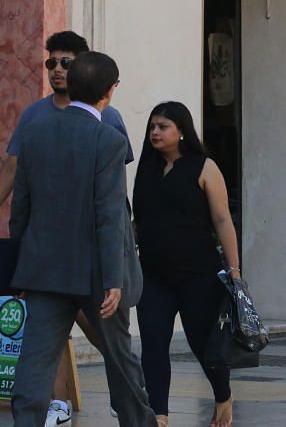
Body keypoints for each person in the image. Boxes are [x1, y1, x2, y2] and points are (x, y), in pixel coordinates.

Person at [9, 52, 157, 427]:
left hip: (42, 270)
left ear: (68, 85)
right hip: (96, 274)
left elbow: (20, 209)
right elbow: (109, 214)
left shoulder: (34, 133)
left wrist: (20, 267)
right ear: (110, 92)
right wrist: (113, 279)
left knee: (34, 364)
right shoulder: (107, 139)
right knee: (121, 361)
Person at [132, 102, 240, 427]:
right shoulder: (147, 167)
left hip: (198, 275)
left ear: (181, 131)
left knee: (203, 344)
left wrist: (234, 271)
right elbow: (139, 220)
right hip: (152, 275)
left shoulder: (203, 166)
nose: (155, 132)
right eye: (152, 126)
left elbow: (222, 219)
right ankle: (160, 415)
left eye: (163, 126)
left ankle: (223, 395)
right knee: (152, 345)